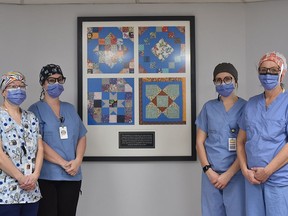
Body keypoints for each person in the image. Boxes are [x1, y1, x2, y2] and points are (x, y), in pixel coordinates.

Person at [28, 64, 87, 216]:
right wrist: (63, 163)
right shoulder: (35, 110)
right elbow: (37, 143)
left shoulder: (70, 108)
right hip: (46, 176)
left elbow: (82, 136)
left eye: (59, 80)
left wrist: (78, 160)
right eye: (51, 80)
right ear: (43, 83)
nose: (56, 83)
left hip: (72, 175)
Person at [237, 51, 288, 216]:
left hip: (279, 180)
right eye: (263, 70)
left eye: (273, 70)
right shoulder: (251, 104)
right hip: (252, 180)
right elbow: (241, 141)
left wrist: (268, 171)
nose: (267, 75)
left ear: (282, 73)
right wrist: (245, 170)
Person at [195, 63, 246, 216]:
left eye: (227, 79)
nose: (223, 83)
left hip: (236, 175)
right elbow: (199, 142)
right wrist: (208, 170)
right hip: (211, 176)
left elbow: (245, 145)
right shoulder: (208, 108)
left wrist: (228, 174)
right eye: (218, 80)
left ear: (235, 81)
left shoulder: (246, 107)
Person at [0, 71, 43, 216]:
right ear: (3, 92)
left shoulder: (31, 117)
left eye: (21, 86)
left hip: (31, 191)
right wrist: (21, 178)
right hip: (6, 193)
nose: (18, 90)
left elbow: (40, 149)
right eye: (12, 86)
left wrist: (35, 175)